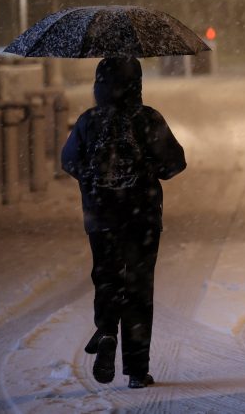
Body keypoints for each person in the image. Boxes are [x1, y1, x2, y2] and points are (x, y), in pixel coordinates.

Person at [61, 57, 186, 389]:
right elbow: (174, 165)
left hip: (101, 218)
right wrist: (147, 166)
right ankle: (136, 370)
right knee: (138, 290)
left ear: (98, 85)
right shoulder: (148, 119)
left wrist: (94, 180)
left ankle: (105, 332)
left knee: (106, 279)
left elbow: (69, 161)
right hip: (141, 218)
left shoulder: (89, 121)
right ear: (138, 84)